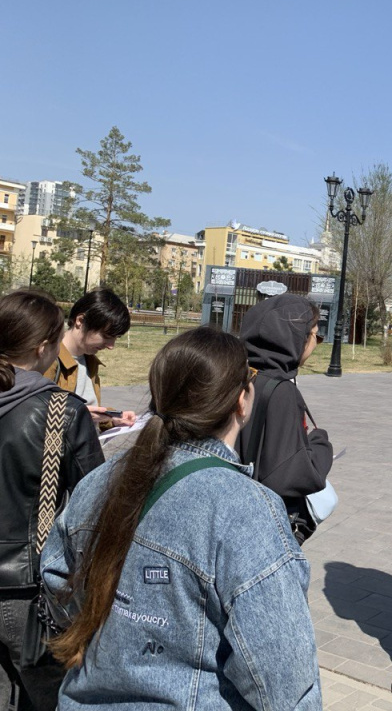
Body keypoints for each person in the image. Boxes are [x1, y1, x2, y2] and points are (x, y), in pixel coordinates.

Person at [40, 327, 321, 709]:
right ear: (242, 400)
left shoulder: (102, 479)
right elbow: (282, 675)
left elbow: (59, 581)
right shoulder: (246, 509)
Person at [0, 290, 104, 711]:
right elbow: (96, 503)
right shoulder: (61, 410)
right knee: (52, 698)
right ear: (43, 348)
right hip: (28, 595)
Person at [236, 294, 334, 544]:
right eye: (315, 335)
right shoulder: (282, 391)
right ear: (297, 339)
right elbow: (288, 475)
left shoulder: (240, 373)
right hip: (263, 522)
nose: (315, 343)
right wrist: (321, 446)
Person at [47, 289, 135, 429]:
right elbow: (33, 413)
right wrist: (79, 414)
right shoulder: (47, 359)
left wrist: (112, 419)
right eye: (106, 336)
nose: (111, 346)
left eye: (116, 338)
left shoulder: (90, 361)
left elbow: (90, 409)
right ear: (80, 321)